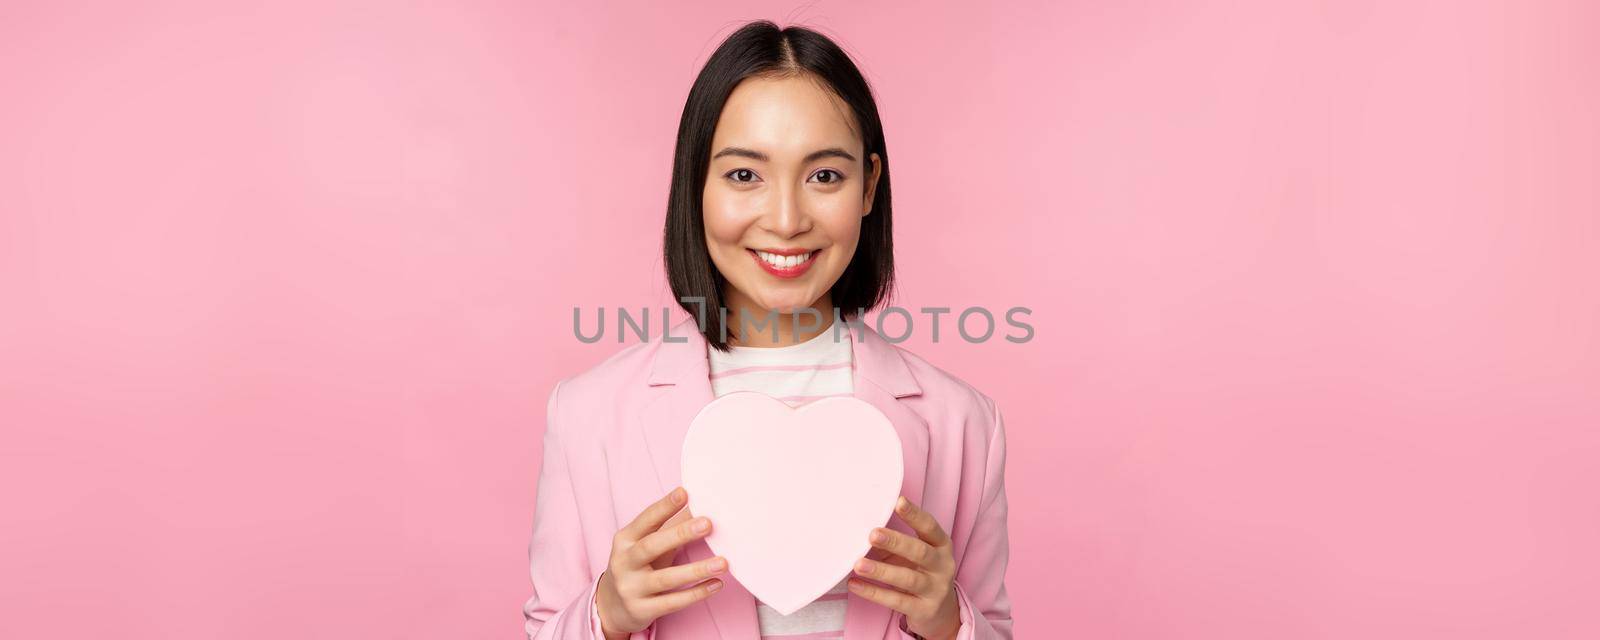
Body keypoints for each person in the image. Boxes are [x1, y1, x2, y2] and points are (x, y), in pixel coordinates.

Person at [523, 20, 1013, 640]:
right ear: (695, 185)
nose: (785, 221)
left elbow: (993, 627)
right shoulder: (587, 414)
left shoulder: (965, 423)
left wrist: (949, 623)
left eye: (825, 176)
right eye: (744, 175)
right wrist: (607, 614)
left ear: (870, 186)